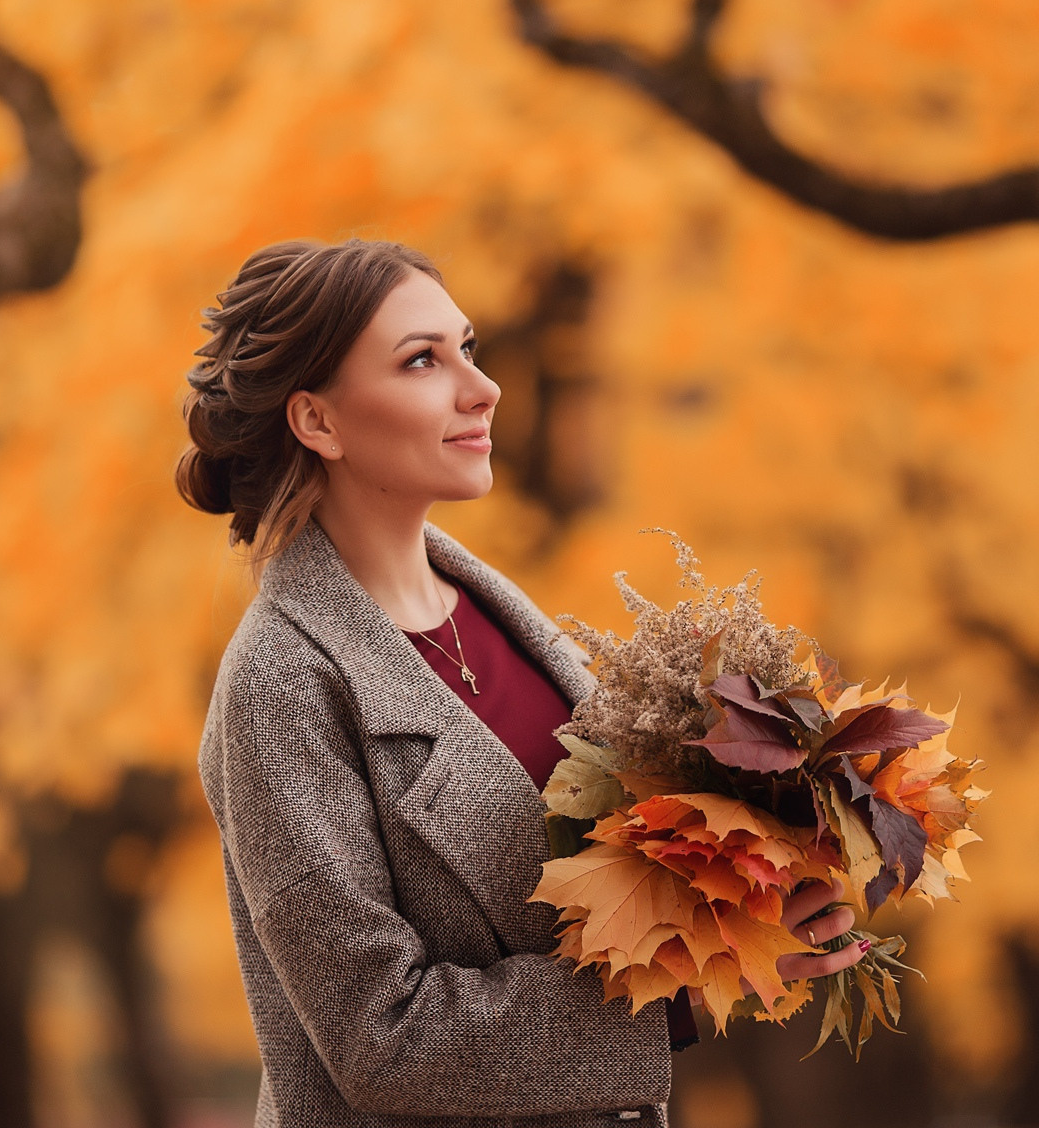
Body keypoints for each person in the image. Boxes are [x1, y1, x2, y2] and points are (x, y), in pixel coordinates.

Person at [181, 238, 863, 1128]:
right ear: (318, 422)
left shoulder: (491, 608)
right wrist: (678, 995)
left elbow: (600, 893)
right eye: (423, 360)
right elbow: (383, 1039)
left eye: (469, 347)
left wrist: (750, 905)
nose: (482, 386)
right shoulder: (282, 683)